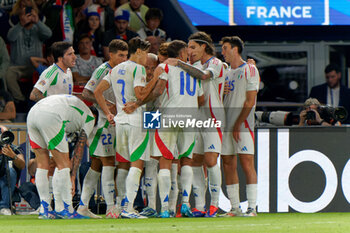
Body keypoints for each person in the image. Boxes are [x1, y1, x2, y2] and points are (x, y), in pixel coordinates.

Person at [94, 37, 158, 219]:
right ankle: (129, 208)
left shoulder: (115, 69)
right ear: (138, 51)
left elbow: (97, 91)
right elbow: (141, 94)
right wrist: (154, 78)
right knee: (137, 165)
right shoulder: (138, 68)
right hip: (136, 120)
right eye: (145, 53)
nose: (146, 58)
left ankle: (119, 206)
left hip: (120, 121)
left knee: (123, 165)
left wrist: (108, 113)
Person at [165, 31, 225, 217]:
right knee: (196, 162)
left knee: (211, 160)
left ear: (203, 46)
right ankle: (199, 205)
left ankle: (214, 204)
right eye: (187, 48)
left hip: (213, 117)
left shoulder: (215, 63)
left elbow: (205, 76)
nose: (189, 51)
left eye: (192, 47)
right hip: (194, 119)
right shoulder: (190, 66)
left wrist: (180, 63)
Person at [141, 40, 203, 218]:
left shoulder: (165, 68)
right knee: (176, 160)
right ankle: (178, 204)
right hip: (181, 116)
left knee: (161, 161)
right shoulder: (192, 72)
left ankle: (163, 208)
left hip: (160, 114)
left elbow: (157, 90)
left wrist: (138, 102)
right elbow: (201, 99)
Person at [77, 39, 128, 219]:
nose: (123, 58)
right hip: (103, 122)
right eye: (120, 55)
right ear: (111, 55)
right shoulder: (102, 70)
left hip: (114, 121)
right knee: (108, 162)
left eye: (125, 55)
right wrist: (107, 105)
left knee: (97, 164)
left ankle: (83, 206)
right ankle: (110, 208)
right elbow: (86, 92)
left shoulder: (123, 70)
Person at [27, 94, 95, 219]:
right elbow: (79, 150)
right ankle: (67, 209)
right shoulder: (91, 119)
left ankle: (45, 209)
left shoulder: (77, 111)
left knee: (42, 164)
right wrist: (73, 176)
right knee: (64, 164)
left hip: (33, 113)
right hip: (51, 115)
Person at [220, 36, 259, 217]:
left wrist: (237, 124)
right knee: (228, 163)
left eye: (225, 48)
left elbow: (250, 102)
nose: (223, 52)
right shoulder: (226, 72)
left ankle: (252, 207)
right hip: (226, 124)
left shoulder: (250, 70)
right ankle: (235, 207)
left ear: (235, 49)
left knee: (246, 163)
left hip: (243, 125)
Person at [5, 7, 52, 103]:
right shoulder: (15, 29)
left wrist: (37, 21)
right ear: (20, 17)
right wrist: (21, 24)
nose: (28, 17)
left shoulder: (39, 29)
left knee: (47, 74)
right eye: (25, 14)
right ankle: (19, 99)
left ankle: (39, 100)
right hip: (17, 67)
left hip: (35, 67)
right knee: (8, 74)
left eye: (31, 14)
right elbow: (10, 37)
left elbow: (49, 34)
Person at [0, 125, 25, 215]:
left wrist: (13, 156)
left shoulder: (14, 149)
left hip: (6, 183)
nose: (4, 138)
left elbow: (22, 165)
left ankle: (4, 207)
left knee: (10, 171)